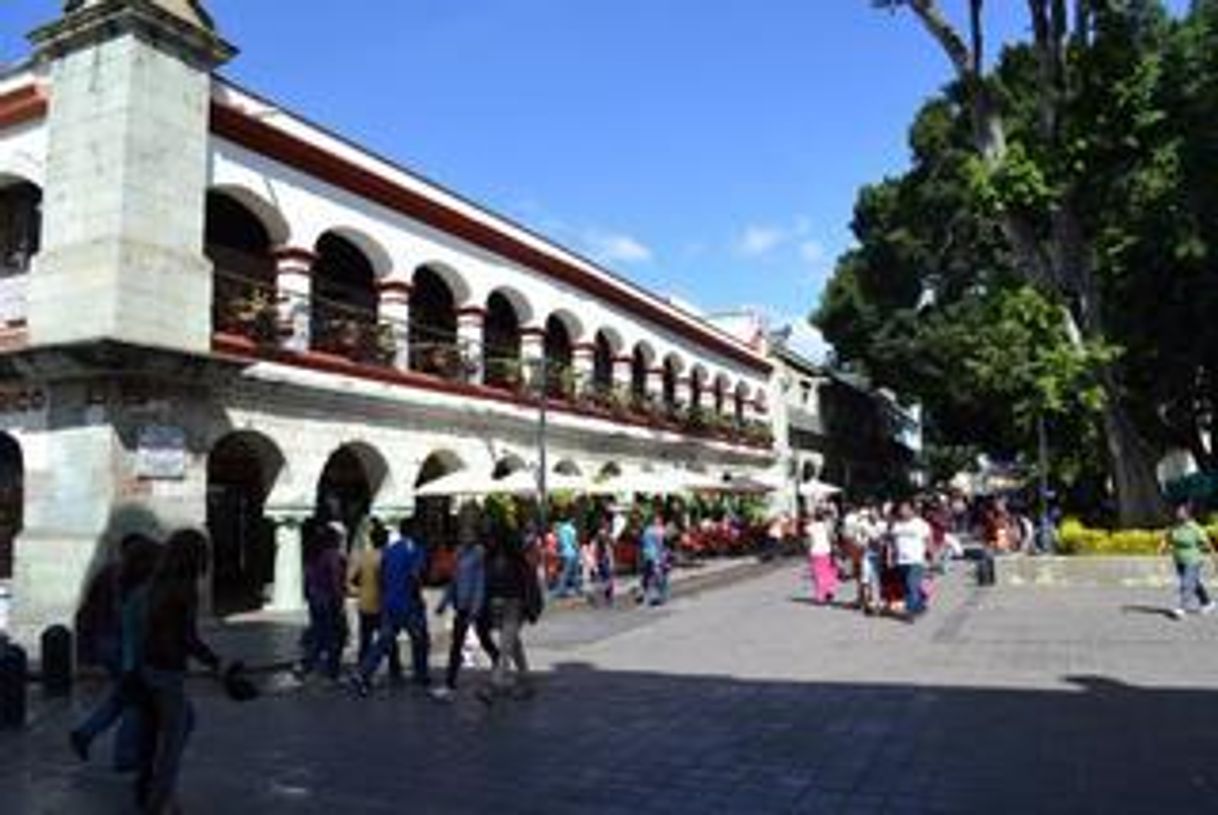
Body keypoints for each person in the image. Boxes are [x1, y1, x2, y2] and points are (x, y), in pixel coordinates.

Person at [136, 529, 223, 814]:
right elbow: (188, 637)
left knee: (183, 722)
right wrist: (216, 662)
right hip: (167, 670)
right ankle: (157, 804)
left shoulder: (159, 581)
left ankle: (165, 798)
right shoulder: (185, 588)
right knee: (171, 745)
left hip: (150, 665)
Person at [70, 534, 161, 770]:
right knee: (136, 700)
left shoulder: (110, 573)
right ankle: (126, 755)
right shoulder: (139, 579)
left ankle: (85, 733)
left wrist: (86, 653)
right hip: (122, 647)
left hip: (108, 643)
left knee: (122, 696)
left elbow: (85, 612)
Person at [351, 516, 430, 695]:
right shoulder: (416, 549)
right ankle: (421, 675)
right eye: (420, 529)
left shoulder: (390, 550)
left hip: (389, 603)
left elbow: (381, 576)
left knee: (383, 641)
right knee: (421, 640)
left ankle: (363, 673)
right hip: (408, 604)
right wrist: (417, 598)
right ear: (414, 531)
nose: (423, 532)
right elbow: (415, 576)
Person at [431, 513, 498, 701]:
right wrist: (443, 603)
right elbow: (454, 581)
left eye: (468, 533)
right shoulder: (459, 553)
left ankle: (500, 667)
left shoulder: (479, 554)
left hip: (475, 607)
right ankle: (449, 684)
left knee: (485, 640)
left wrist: (475, 610)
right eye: (462, 533)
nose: (464, 536)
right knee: (457, 645)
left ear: (474, 536)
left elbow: (479, 584)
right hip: (462, 606)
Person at [479, 521, 539, 703]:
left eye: (490, 536)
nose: (487, 540)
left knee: (505, 647)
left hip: (514, 605)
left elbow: (527, 585)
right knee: (513, 644)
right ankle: (526, 681)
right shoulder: (491, 558)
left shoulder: (514, 559)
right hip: (499, 606)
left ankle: (493, 686)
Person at [347, 519, 401, 677]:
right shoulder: (387, 557)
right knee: (389, 640)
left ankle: (362, 670)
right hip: (382, 605)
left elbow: (350, 580)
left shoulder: (364, 557)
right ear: (385, 540)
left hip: (364, 604)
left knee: (365, 641)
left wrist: (359, 590)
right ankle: (395, 670)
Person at [299, 523, 346, 681]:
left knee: (319, 635)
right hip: (328, 600)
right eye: (339, 538)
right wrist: (339, 603)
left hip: (315, 599)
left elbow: (307, 579)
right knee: (335, 637)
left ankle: (306, 667)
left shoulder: (313, 555)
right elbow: (336, 581)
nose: (341, 541)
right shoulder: (333, 555)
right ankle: (332, 672)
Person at [1159, 502, 1216, 620]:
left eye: (1181, 511)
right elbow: (1168, 536)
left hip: (1193, 560)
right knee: (1194, 583)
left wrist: (1215, 560)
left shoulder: (1195, 528)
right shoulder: (1175, 526)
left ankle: (1181, 608)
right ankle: (1207, 603)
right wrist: (1163, 547)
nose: (1178, 513)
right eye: (1177, 511)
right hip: (1180, 560)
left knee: (1187, 584)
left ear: (1188, 514)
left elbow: (1208, 545)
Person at [890, 501, 933, 621]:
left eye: (905, 509)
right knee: (908, 586)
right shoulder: (897, 524)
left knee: (911, 585)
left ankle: (910, 611)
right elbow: (893, 542)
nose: (902, 511)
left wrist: (930, 554)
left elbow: (928, 538)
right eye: (901, 509)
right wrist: (892, 556)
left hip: (916, 560)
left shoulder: (920, 524)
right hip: (901, 561)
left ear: (912, 510)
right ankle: (920, 605)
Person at [807, 508, 837, 605]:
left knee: (818, 574)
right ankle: (829, 590)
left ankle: (820, 596)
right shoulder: (827, 526)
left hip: (815, 552)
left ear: (814, 517)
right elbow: (832, 538)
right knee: (828, 572)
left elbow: (809, 540)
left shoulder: (810, 527)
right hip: (826, 551)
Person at [639, 511, 668, 606]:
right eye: (657, 519)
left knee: (654, 576)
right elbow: (647, 544)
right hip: (652, 556)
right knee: (653, 576)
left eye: (659, 519)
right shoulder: (651, 531)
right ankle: (652, 596)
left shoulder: (659, 530)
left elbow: (664, 543)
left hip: (656, 556)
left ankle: (653, 595)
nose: (658, 520)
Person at [553, 514, 580, 597]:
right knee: (573, 572)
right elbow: (574, 542)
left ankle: (565, 589)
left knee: (565, 572)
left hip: (564, 553)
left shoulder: (561, 529)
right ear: (571, 520)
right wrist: (578, 549)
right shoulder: (571, 529)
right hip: (572, 553)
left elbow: (559, 542)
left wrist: (560, 552)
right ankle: (565, 590)